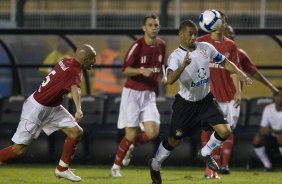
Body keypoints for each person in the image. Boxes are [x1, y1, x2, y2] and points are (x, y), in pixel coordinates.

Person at [148, 19, 252, 184]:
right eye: (190, 34)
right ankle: (156, 164)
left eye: (196, 33)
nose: (194, 37)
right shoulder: (176, 56)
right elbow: (169, 80)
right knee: (175, 139)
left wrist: (240, 73)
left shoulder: (206, 47)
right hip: (186, 105)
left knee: (225, 131)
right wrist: (182, 66)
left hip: (205, 101)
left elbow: (224, 62)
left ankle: (206, 152)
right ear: (181, 34)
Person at [0, 44, 96, 182]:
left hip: (52, 107)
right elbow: (75, 88)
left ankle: (62, 169)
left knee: (76, 132)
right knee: (18, 149)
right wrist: (79, 109)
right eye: (93, 59)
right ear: (85, 59)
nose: (94, 62)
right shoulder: (74, 71)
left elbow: (69, 83)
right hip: (36, 109)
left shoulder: (66, 61)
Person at [110, 13, 166, 177]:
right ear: (144, 28)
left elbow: (162, 64)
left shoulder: (162, 44)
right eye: (150, 25)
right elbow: (124, 70)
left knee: (153, 132)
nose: (153, 27)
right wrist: (142, 70)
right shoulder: (137, 46)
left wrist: (164, 76)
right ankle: (115, 167)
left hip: (149, 94)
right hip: (132, 94)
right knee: (130, 134)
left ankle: (132, 145)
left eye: (156, 25)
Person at [197, 11, 242, 178]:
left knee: (226, 132)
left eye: (222, 21)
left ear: (224, 23)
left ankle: (223, 164)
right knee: (209, 129)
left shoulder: (230, 45)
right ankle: (210, 169)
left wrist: (238, 91)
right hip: (209, 96)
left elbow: (234, 70)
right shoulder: (200, 42)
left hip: (229, 96)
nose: (219, 23)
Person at [225, 25, 278, 94]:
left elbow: (254, 72)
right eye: (225, 32)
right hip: (214, 96)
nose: (229, 34)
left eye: (230, 32)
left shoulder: (240, 54)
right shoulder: (213, 52)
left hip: (232, 97)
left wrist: (271, 86)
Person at [253, 89, 282, 171]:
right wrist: (269, 131)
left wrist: (271, 130)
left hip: (279, 137)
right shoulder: (268, 108)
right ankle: (267, 165)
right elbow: (262, 128)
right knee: (257, 139)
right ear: (273, 97)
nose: (280, 98)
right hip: (272, 136)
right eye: (277, 96)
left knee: (281, 137)